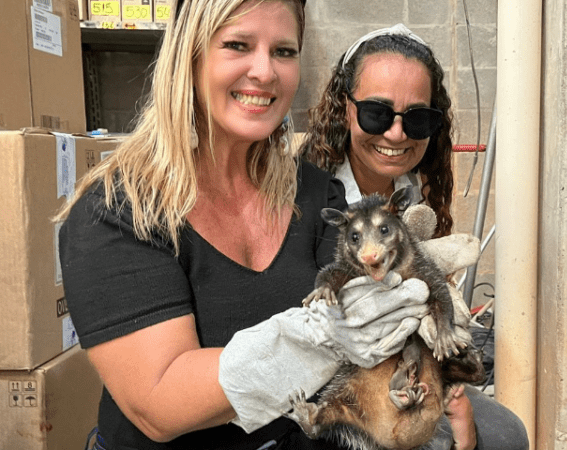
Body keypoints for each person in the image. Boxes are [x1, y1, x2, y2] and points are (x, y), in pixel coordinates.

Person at [57, 3, 437, 449]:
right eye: (237, 45)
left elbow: (369, 325)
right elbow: (159, 402)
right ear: (190, 55)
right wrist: (318, 338)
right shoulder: (119, 211)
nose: (265, 71)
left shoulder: (313, 194)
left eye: (283, 51)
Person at [301, 24, 530, 450]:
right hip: (349, 384)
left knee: (507, 434)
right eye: (377, 112)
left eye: (418, 118)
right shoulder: (314, 201)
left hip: (412, 371)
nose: (396, 134)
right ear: (344, 109)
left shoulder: (409, 191)